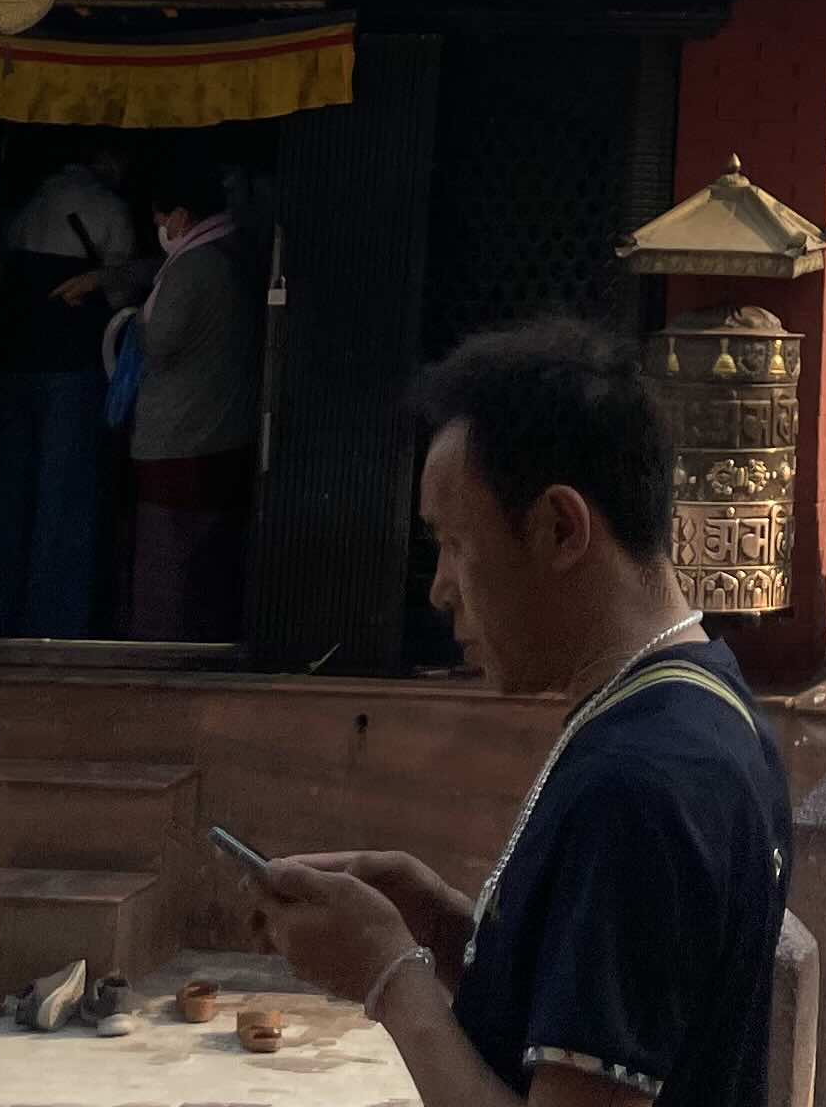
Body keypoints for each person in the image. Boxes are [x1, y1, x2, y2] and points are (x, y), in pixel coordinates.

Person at [244, 317, 790, 1107]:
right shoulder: (699, 703)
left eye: (455, 544)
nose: (440, 589)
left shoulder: (640, 785)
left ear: (560, 529)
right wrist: (443, 927)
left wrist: (389, 976)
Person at [0, 148, 132, 639]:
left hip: (14, 365)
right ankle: (54, 624)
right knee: (64, 501)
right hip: (72, 368)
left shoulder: (27, 208)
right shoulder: (108, 209)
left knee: (6, 499)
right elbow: (123, 298)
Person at [123, 161, 259, 643]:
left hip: (179, 438)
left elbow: (161, 341)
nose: (160, 228)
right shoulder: (234, 252)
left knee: (167, 559)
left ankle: (159, 648)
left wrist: (136, 322)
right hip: (225, 432)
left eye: (161, 218)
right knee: (208, 560)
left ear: (180, 215)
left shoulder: (192, 266)